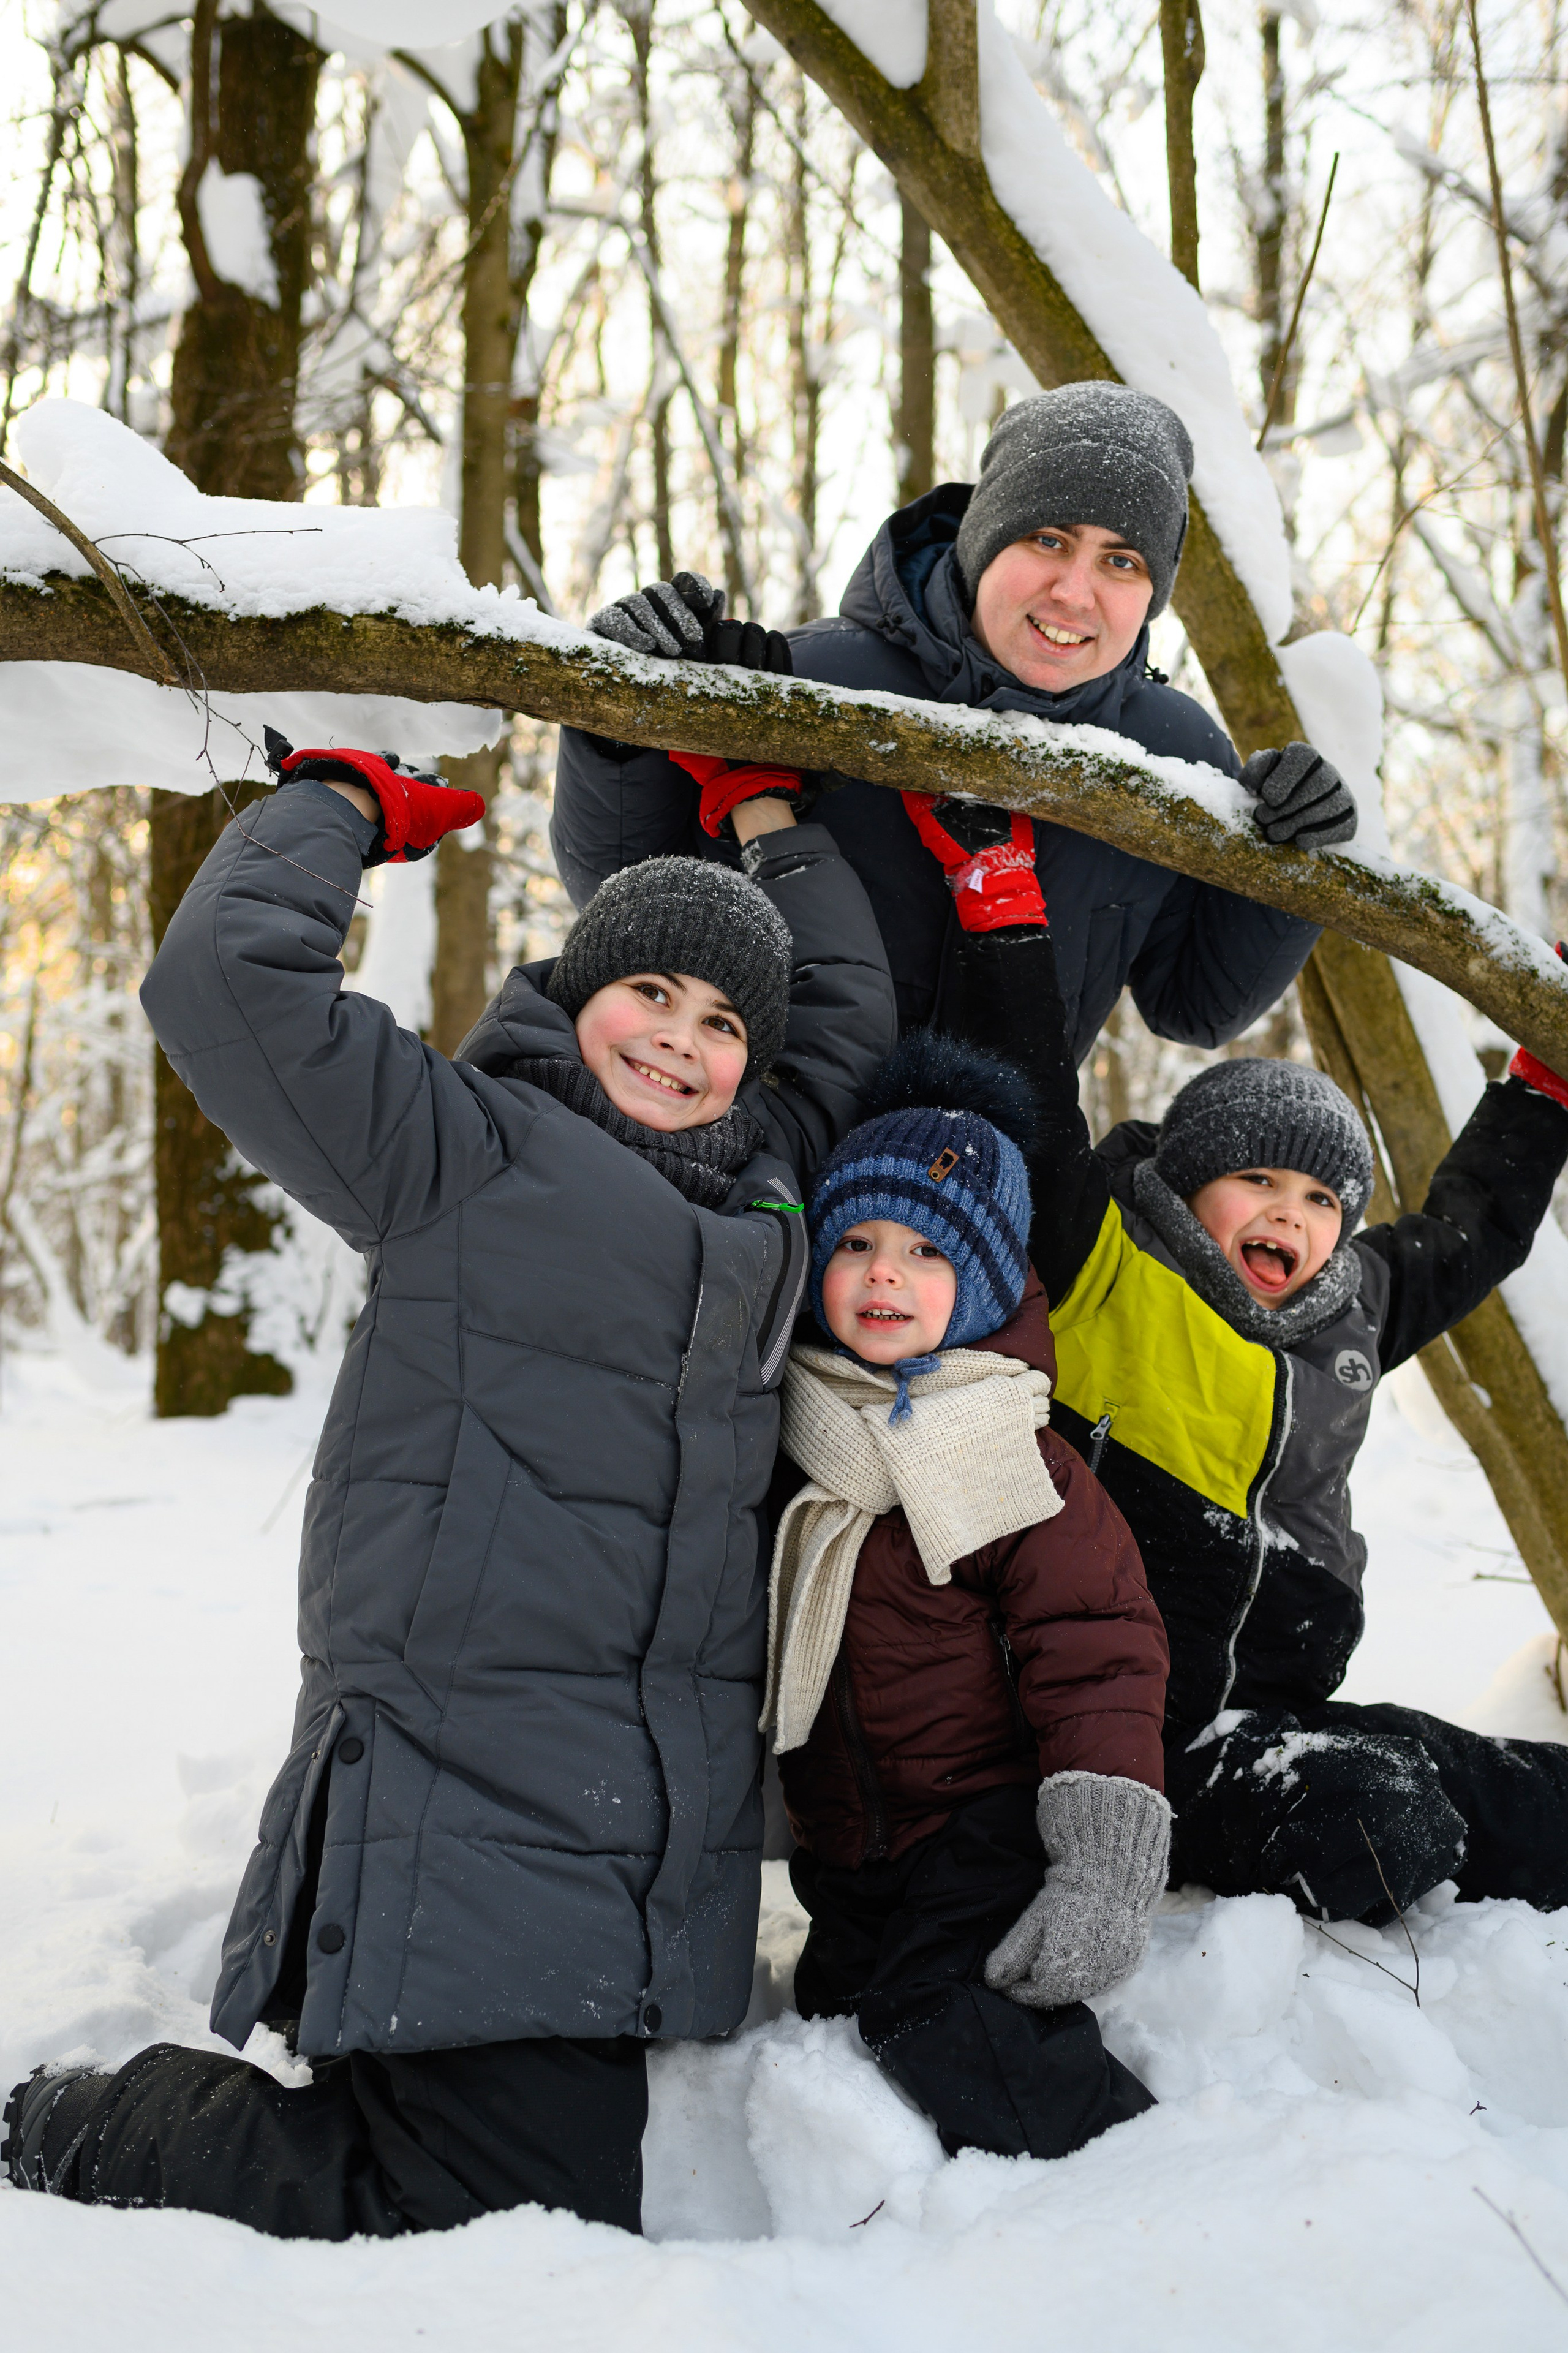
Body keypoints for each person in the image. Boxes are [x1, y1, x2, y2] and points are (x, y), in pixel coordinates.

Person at [3, 735, 896, 2236]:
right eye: (649, 994)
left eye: (724, 1016)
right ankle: (83, 2127)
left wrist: (765, 814)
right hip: (461, 1774)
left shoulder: (770, 1190)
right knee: (493, 2204)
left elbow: (852, 1010)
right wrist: (339, 804)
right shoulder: (456, 1148)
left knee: (547, 2176)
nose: (681, 1038)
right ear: (576, 991)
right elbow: (226, 983)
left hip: (643, 1813)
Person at [915, 791, 1568, 1924]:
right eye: (1257, 1181)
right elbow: (1031, 1107)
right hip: (1127, 1735)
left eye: (1321, 1196)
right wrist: (1005, 918)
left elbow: (1480, 1222)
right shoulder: (1112, 1266)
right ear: (1188, 1185)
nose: (1291, 1214)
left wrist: (1546, 1079)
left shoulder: (1351, 1306)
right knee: (1381, 1818)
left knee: (1529, 1794)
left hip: (1271, 1708)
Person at [554, 380, 1355, 1061]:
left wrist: (1289, 865)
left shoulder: (1173, 752)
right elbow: (620, 888)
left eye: (1122, 561)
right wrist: (618, 718)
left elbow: (1196, 1006)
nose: (1075, 593)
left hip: (988, 1196)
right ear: (982, 540)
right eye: (1049, 539)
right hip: (772, 1158)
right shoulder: (818, 679)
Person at [765, 1029, 1170, 2162]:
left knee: (938, 2011)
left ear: (987, 1281)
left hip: (984, 1829)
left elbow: (1097, 1649)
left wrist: (1099, 1856)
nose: (882, 1272)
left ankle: (1129, 2169)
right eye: (855, 1241)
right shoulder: (797, 1431)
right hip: (850, 1847)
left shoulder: (1009, 1455)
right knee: (832, 2022)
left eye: (925, 1253)